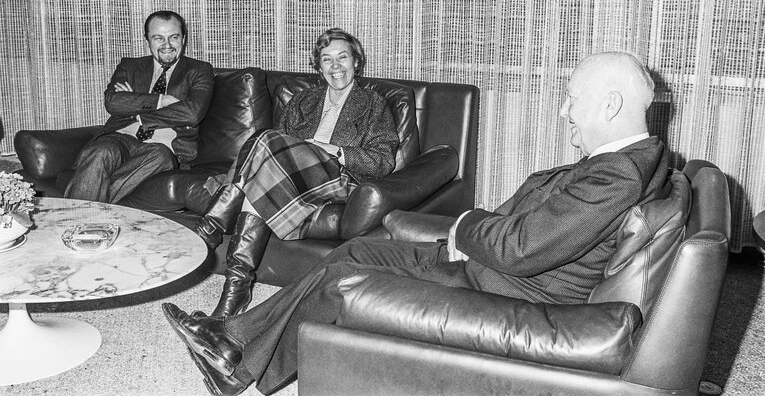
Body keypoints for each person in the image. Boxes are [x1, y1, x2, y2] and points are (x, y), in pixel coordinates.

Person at [162, 51, 670, 396]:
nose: (564, 111)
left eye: (572, 99)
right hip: (488, 264)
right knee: (354, 252)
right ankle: (234, 339)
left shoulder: (618, 173)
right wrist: (465, 234)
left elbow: (521, 248)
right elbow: (529, 231)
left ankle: (237, 363)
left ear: (610, 104)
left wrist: (463, 224)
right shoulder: (622, 161)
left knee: (345, 278)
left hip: (509, 286)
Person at [191, 27, 399, 318]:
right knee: (263, 167)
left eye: (343, 58)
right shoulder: (304, 100)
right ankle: (233, 296)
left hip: (337, 176)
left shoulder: (373, 104)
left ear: (356, 62)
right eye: (327, 60)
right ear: (319, 67)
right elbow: (273, 153)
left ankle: (209, 229)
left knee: (264, 138)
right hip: (294, 178)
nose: (335, 66)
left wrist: (335, 149)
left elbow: (383, 161)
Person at [64, 10, 214, 203]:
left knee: (161, 156)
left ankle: (79, 208)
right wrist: (162, 100)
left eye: (174, 37)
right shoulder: (130, 66)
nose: (167, 45)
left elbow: (192, 113)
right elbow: (113, 102)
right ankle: (83, 215)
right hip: (121, 138)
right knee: (101, 150)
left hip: (163, 148)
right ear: (147, 40)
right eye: (158, 38)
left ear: (183, 39)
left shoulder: (199, 71)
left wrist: (138, 112)